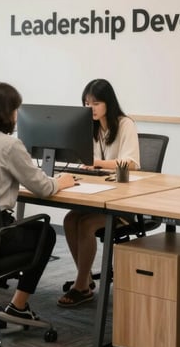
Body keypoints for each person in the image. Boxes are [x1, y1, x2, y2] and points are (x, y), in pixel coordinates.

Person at [0, 81, 76, 321]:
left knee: (31, 230)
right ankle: (18, 306)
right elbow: (43, 188)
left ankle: (14, 302)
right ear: (5, 112)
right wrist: (61, 181)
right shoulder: (9, 145)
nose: (17, 116)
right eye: (14, 110)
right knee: (46, 233)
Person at [58, 78, 140, 308]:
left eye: (95, 103)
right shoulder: (88, 127)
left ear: (108, 103)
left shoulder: (125, 125)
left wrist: (98, 163)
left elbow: (132, 163)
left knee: (85, 225)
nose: (90, 108)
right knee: (69, 219)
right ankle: (83, 279)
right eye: (86, 103)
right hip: (99, 194)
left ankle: (81, 285)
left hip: (124, 203)